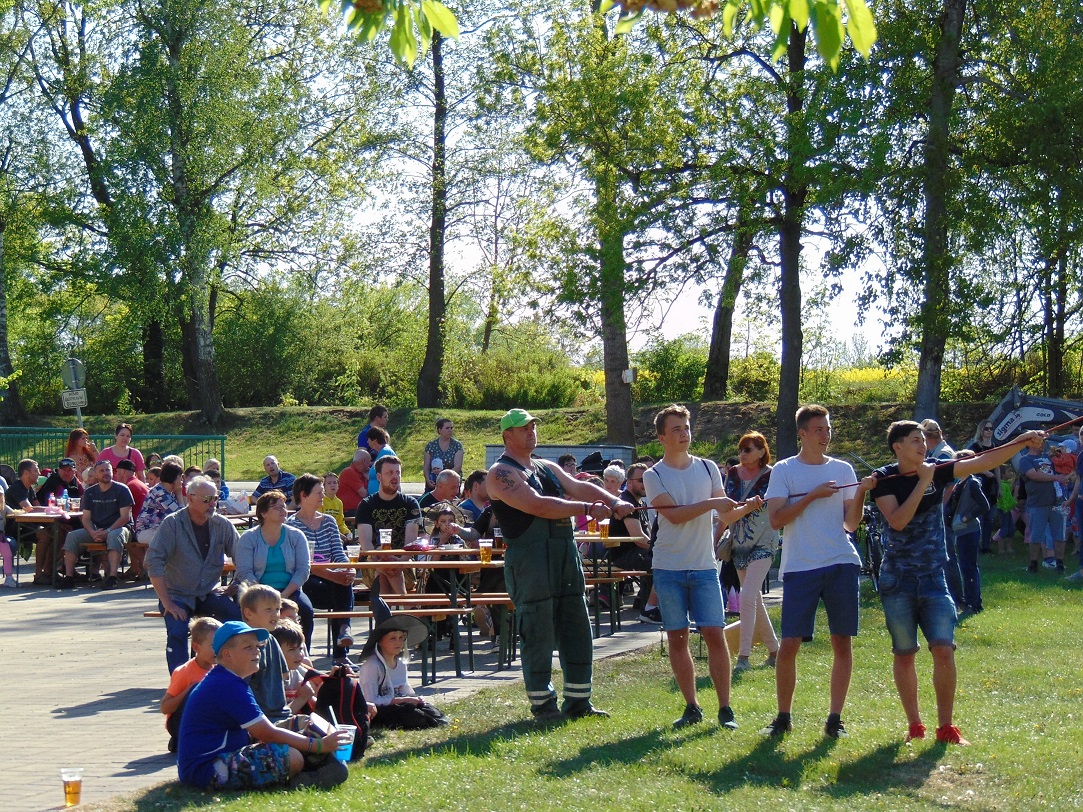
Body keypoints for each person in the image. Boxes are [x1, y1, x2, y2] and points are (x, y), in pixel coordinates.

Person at [871, 421, 1045, 745]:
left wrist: (1021, 441)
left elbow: (984, 461)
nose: (923, 445)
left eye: (923, 440)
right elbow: (897, 521)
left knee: (943, 649)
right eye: (915, 440)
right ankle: (915, 725)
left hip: (934, 577)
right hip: (898, 581)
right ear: (898, 447)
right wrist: (924, 483)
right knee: (905, 653)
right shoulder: (883, 479)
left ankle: (946, 728)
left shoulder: (937, 469)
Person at [487, 407, 631, 720]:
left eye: (533, 427)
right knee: (537, 630)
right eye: (524, 428)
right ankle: (543, 705)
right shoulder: (500, 473)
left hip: (565, 555)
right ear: (507, 435)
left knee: (577, 625)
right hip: (530, 561)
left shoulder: (546, 467)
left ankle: (579, 701)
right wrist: (587, 509)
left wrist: (613, 500)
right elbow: (538, 505)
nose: (531, 432)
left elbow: (579, 486)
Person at [762, 404, 877, 739]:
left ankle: (834, 719)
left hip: (841, 561)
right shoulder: (784, 470)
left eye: (828, 429)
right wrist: (812, 496)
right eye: (818, 430)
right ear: (802, 434)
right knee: (790, 643)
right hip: (801, 566)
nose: (825, 435)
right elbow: (776, 520)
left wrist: (860, 492)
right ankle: (783, 717)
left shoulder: (843, 469)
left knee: (842, 642)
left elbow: (850, 524)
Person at [643, 404, 749, 730]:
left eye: (686, 428)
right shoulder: (653, 475)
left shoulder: (707, 468)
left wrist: (749, 507)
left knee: (714, 635)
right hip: (668, 568)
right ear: (662, 437)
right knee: (677, 639)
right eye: (676, 429)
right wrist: (715, 504)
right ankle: (692, 706)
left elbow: (725, 514)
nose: (684, 434)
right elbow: (675, 515)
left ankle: (725, 709)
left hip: (704, 566)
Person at [177, 620, 348, 791]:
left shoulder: (229, 679)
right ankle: (307, 774)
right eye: (248, 647)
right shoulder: (226, 685)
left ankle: (318, 764)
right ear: (227, 655)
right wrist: (317, 745)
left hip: (225, 754)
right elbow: (267, 733)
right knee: (292, 757)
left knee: (300, 722)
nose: (257, 651)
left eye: (257, 646)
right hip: (207, 769)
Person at [146, 476, 243, 673]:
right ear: (190, 498)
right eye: (207, 499)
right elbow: (153, 561)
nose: (212, 503)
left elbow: (243, 557)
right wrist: (167, 603)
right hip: (177, 594)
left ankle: (230, 675)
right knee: (177, 630)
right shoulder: (172, 524)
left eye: (215, 498)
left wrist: (235, 585)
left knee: (237, 620)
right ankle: (181, 680)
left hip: (209, 591)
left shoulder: (222, 525)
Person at [719, 431, 781, 673]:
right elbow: (726, 513)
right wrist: (716, 538)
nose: (742, 454)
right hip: (739, 543)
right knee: (754, 599)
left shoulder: (772, 475)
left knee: (746, 596)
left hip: (765, 542)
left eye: (748, 450)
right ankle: (775, 651)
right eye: (741, 450)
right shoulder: (733, 474)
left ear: (762, 451)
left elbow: (777, 505)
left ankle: (743, 657)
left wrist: (749, 508)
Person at [287, 474, 357, 667]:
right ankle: (341, 638)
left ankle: (343, 638)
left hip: (332, 579)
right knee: (338, 584)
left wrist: (347, 568)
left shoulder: (329, 521)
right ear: (304, 495)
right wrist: (333, 574)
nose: (322, 496)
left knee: (343, 582)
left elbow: (338, 553)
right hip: (306, 581)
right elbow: (301, 564)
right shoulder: (292, 526)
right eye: (318, 493)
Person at [235, 491, 312, 654]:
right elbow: (244, 572)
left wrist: (284, 595)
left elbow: (303, 570)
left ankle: (302, 655)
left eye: (284, 506)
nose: (283, 510)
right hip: (257, 592)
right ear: (263, 513)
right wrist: (264, 595)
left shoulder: (296, 536)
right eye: (276, 507)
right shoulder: (248, 538)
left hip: (289, 590)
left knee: (306, 611)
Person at [357, 616, 449, 729]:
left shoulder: (400, 663)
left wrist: (415, 699)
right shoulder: (372, 666)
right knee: (412, 714)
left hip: (400, 704)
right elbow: (371, 700)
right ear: (380, 641)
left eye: (401, 638)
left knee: (430, 711)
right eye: (393, 638)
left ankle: (431, 720)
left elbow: (405, 688)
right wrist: (403, 700)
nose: (398, 642)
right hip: (379, 710)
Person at [59, 459, 133, 590]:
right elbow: (86, 518)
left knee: (114, 536)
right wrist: (92, 532)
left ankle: (112, 577)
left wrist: (108, 531)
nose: (105, 473)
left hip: (120, 528)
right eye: (102, 471)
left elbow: (125, 517)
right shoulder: (89, 492)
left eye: (108, 470)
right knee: (72, 536)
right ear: (96, 475)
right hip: (97, 530)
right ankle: (69, 577)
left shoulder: (122, 489)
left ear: (112, 472)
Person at [356, 456, 421, 596]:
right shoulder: (366, 505)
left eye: (397, 472)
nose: (395, 476)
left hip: (404, 564)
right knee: (384, 566)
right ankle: (408, 607)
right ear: (379, 477)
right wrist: (381, 562)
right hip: (373, 564)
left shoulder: (410, 504)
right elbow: (366, 544)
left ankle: (385, 612)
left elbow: (410, 543)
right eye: (389, 473)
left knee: (386, 568)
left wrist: (399, 563)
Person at [161, 617, 221, 753]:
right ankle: (181, 739)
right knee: (197, 689)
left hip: (206, 723)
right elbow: (165, 707)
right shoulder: (184, 672)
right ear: (196, 647)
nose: (219, 649)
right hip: (181, 724)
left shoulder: (220, 669)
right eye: (213, 645)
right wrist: (189, 690)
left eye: (222, 643)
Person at [1018, 435, 1069, 573]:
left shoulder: (1048, 458)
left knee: (1059, 534)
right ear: (1030, 444)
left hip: (1055, 501)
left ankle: (1059, 564)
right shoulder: (1025, 460)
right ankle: (1033, 563)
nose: (1042, 444)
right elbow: (1033, 475)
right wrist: (1056, 477)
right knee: (1036, 535)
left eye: (1043, 442)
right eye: (1039, 442)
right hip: (1037, 502)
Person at [131, 462, 185, 581]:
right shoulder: (160, 493)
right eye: (180, 478)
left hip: (158, 530)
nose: (181, 481)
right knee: (176, 540)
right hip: (147, 531)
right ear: (174, 478)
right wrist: (179, 493)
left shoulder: (167, 492)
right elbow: (181, 516)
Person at [968, 420, 1000, 553]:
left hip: (992, 486)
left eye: (991, 428)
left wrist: (999, 485)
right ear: (981, 430)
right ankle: (976, 545)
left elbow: (997, 467)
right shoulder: (974, 447)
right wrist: (985, 472)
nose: (989, 431)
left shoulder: (994, 446)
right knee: (979, 518)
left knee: (989, 518)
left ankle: (986, 546)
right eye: (986, 429)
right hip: (979, 484)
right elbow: (969, 465)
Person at [423, 418, 464, 491]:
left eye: (451, 428)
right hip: (434, 481)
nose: (450, 430)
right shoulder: (430, 446)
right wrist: (428, 480)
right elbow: (426, 467)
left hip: (451, 480)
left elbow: (458, 466)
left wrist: (444, 479)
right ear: (440, 430)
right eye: (447, 428)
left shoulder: (457, 445)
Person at [337, 449, 371, 517]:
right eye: (369, 461)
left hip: (357, 510)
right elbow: (364, 494)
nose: (370, 464)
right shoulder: (349, 472)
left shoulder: (362, 473)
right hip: (349, 511)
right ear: (364, 461)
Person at [365, 428, 395, 495]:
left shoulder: (385, 452)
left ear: (375, 440)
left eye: (368, 439)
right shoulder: (382, 452)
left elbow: (385, 474)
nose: (367, 442)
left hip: (384, 496)